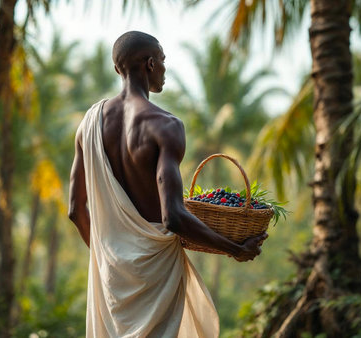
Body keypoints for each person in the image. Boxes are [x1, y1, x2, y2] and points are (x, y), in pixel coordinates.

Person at [68, 31, 267, 338]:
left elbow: (75, 210)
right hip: (156, 269)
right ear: (149, 64)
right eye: (162, 60)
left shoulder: (89, 124)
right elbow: (172, 217)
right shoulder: (165, 125)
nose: (164, 68)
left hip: (111, 274)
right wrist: (235, 248)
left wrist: (107, 256)